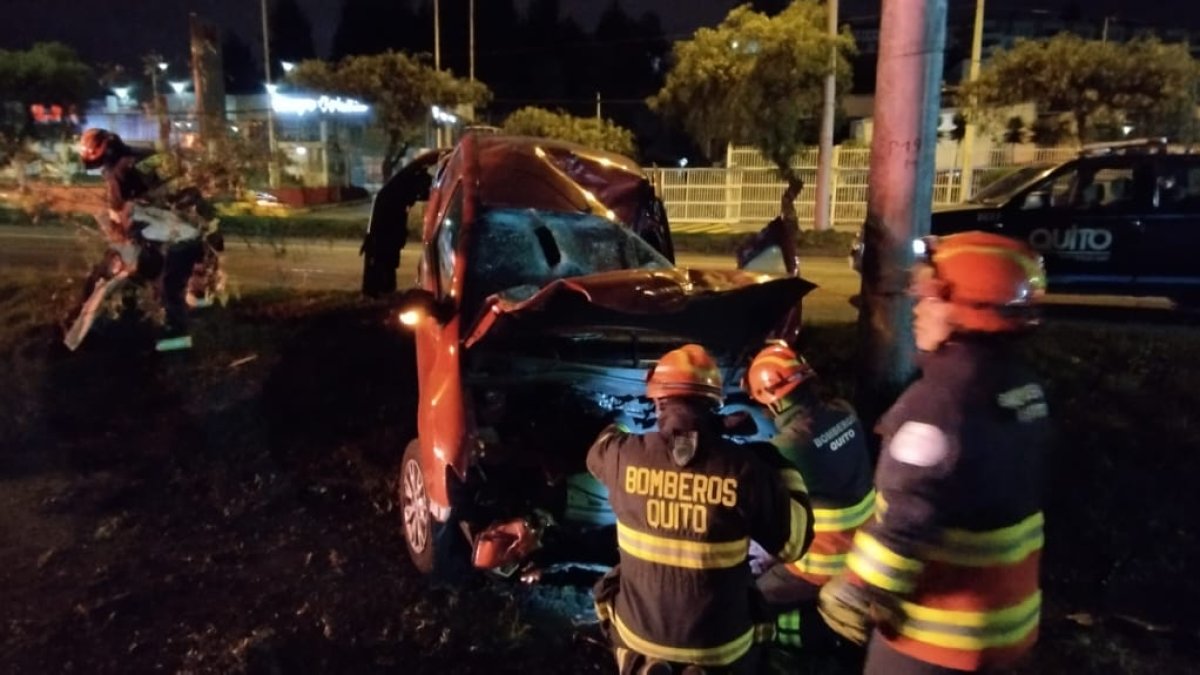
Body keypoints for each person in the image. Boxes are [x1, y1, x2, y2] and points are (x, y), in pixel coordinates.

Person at [818, 231, 1051, 675]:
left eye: (931, 299)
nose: (918, 311)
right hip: (1009, 624)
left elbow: (910, 508)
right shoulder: (1023, 387)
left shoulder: (938, 405)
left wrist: (858, 586)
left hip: (936, 638)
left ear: (966, 309)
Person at [588, 344, 814, 674]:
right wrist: (778, 465)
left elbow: (601, 446)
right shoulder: (746, 469)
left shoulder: (624, 455)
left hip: (637, 634)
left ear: (659, 401)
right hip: (722, 646)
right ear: (714, 403)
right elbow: (794, 544)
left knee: (611, 586)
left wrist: (630, 428)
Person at [743, 343, 875, 651]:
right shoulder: (845, 411)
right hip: (866, 547)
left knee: (748, 604)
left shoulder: (789, 447)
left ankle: (821, 633)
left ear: (773, 403)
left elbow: (758, 504)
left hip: (821, 562)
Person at [79, 128, 202, 352]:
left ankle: (178, 338)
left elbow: (119, 216)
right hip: (186, 223)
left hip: (176, 233)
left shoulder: (118, 173)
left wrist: (121, 238)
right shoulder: (142, 155)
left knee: (167, 284)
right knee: (166, 275)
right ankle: (193, 302)